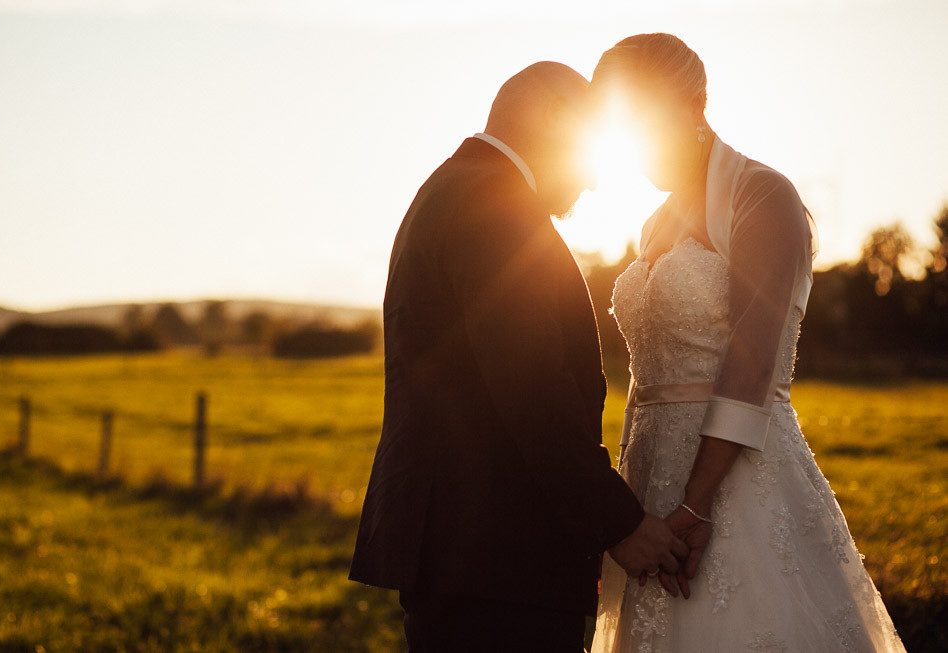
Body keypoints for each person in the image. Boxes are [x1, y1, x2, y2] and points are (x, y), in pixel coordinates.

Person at [349, 61, 688, 652]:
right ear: (557, 118)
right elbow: (530, 387)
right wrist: (620, 524)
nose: (595, 182)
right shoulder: (494, 203)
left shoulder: (457, 187)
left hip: (472, 556)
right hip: (495, 556)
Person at [589, 33, 906, 652]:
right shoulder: (655, 221)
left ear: (695, 104)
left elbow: (753, 359)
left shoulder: (763, 195)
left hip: (733, 486)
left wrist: (698, 504)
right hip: (647, 482)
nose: (636, 149)